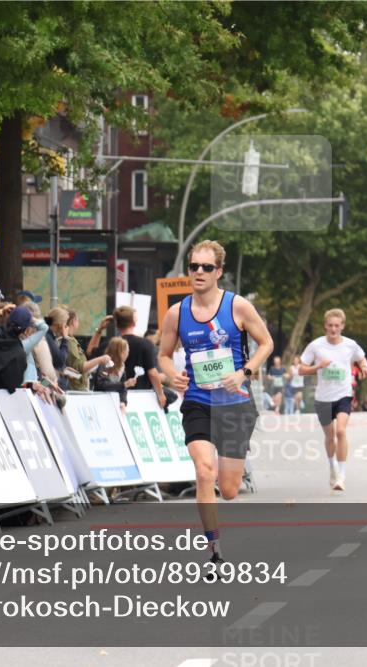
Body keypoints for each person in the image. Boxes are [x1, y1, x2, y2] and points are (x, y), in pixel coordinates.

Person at [158, 240, 273, 575]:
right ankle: (215, 551)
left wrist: (245, 372)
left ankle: (233, 467)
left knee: (230, 490)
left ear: (219, 272)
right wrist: (171, 376)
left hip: (236, 404)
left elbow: (266, 343)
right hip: (198, 401)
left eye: (206, 267)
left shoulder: (237, 307)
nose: (198, 272)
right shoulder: (177, 313)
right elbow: (163, 355)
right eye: (194, 266)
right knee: (204, 470)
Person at [299, 307, 367, 491]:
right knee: (329, 436)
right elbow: (301, 369)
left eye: (337, 326)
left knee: (340, 431)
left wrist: (365, 367)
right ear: (325, 326)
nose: (333, 329)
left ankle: (342, 475)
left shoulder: (350, 345)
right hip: (323, 398)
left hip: (343, 394)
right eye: (330, 325)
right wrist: (318, 367)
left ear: (342, 326)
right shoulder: (316, 345)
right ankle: (332, 466)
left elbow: (362, 359)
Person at [114, 304, 170, 409]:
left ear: (116, 324)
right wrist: (160, 394)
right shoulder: (145, 344)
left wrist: (99, 331)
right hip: (141, 399)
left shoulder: (110, 344)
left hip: (114, 397)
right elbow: (152, 372)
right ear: (134, 323)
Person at [94, 337, 136, 410]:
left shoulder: (122, 366)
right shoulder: (105, 364)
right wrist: (124, 384)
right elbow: (101, 384)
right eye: (125, 351)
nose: (127, 354)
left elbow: (123, 388)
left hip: (112, 403)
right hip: (100, 401)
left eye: (127, 351)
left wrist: (123, 402)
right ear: (118, 352)